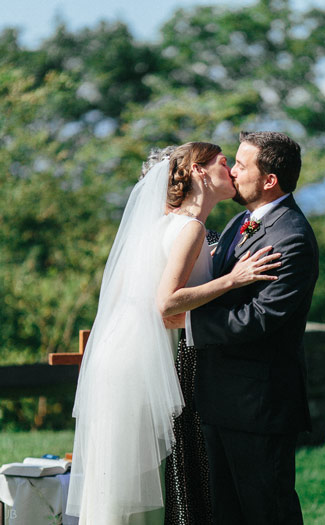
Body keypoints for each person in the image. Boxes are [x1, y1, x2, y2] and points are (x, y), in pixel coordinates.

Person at [66, 142, 281, 524]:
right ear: (199, 171)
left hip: (123, 356)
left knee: (118, 485)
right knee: (132, 492)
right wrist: (233, 280)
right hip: (138, 365)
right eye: (222, 162)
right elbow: (166, 305)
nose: (230, 169)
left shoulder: (162, 227)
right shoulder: (192, 228)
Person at [186, 131, 319, 524]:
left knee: (267, 512)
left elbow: (259, 318)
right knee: (226, 513)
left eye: (241, 165)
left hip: (259, 405)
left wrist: (188, 321)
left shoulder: (290, 236)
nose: (231, 170)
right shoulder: (237, 223)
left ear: (269, 180)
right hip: (219, 398)